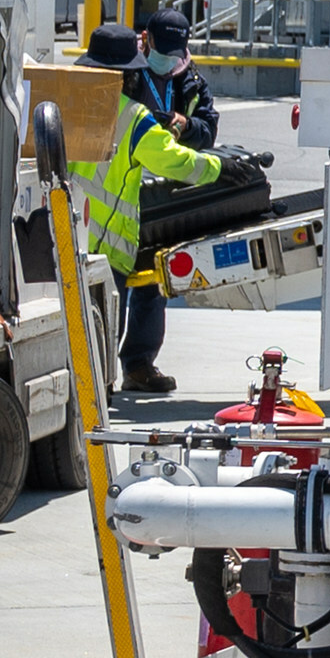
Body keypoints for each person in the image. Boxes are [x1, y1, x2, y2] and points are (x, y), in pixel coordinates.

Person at [73, 24, 221, 395]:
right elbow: (177, 164)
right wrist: (222, 168)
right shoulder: (132, 117)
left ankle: (98, 379)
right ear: (128, 73)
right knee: (102, 320)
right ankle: (103, 382)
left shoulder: (67, 102)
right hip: (107, 242)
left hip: (63, 233)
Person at [133, 7, 219, 148]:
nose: (168, 57)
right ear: (145, 38)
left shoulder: (193, 82)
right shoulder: (127, 71)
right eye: (163, 49)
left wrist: (187, 125)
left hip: (170, 164)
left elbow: (208, 132)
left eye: (174, 52)